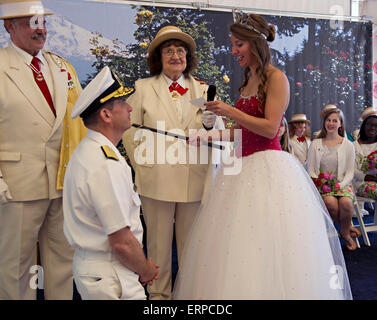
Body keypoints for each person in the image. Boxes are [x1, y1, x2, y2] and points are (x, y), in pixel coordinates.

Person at [172, 11, 352, 299]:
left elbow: (269, 129)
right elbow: (245, 130)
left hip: (269, 168)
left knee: (270, 242)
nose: (234, 51)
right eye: (232, 44)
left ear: (255, 44)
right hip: (241, 168)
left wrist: (229, 111)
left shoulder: (276, 78)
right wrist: (210, 135)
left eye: (238, 44)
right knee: (238, 245)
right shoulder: (248, 80)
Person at [123, 25, 223, 300]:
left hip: (195, 180)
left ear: (188, 57)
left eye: (180, 50)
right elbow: (129, 129)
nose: (176, 55)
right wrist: (143, 163)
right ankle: (158, 295)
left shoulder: (205, 89)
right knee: (157, 245)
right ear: (159, 57)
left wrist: (211, 124)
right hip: (157, 181)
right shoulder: (143, 88)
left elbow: (219, 129)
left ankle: (190, 295)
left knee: (192, 246)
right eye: (169, 51)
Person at [0, 0, 85, 300]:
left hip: (61, 184)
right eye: (30, 22)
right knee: (16, 268)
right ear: (8, 26)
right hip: (16, 187)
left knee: (62, 265)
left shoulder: (60, 65)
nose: (40, 29)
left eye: (42, 22)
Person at [63, 66, 159, 300]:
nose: (130, 108)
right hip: (111, 273)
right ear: (106, 115)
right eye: (123, 103)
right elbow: (121, 242)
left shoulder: (89, 152)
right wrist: (145, 270)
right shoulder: (104, 162)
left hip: (103, 270)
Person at [307, 107, 358, 251]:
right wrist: (320, 183)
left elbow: (350, 172)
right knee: (331, 203)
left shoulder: (348, 145)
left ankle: (344, 231)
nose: (331, 123)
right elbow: (311, 170)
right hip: (323, 185)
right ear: (324, 123)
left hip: (342, 183)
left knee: (347, 204)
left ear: (340, 124)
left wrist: (341, 185)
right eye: (328, 120)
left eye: (335, 120)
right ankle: (346, 230)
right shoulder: (316, 143)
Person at [353, 107, 377, 200]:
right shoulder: (353, 146)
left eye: (376, 125)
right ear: (364, 126)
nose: (372, 128)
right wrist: (367, 177)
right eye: (369, 125)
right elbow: (351, 170)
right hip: (360, 183)